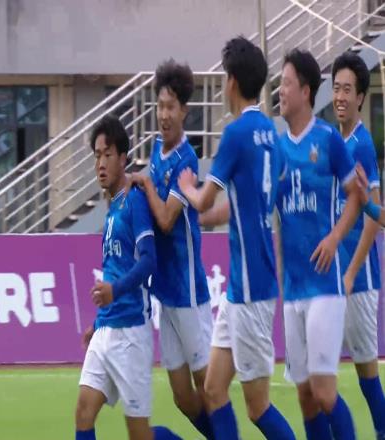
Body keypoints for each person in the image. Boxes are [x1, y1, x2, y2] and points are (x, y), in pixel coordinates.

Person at [178, 36, 295, 440]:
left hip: (251, 291)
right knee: (213, 391)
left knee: (258, 406)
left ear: (231, 81)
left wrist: (187, 187)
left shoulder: (236, 133)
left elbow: (203, 197)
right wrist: (208, 217)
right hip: (242, 289)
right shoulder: (272, 134)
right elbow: (251, 203)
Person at [75, 115, 181, 440]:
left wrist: (115, 291)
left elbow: (148, 261)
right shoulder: (111, 211)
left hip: (131, 334)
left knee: (140, 435)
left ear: (123, 159)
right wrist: (97, 321)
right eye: (97, 156)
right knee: (83, 414)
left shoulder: (135, 202)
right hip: (107, 329)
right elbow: (114, 270)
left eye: (107, 154)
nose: (100, 163)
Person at [276, 48, 361, 440]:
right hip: (292, 288)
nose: (280, 91)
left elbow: (356, 196)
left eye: (286, 83)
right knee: (306, 396)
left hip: (325, 286)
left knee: (325, 392)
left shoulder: (328, 140)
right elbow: (273, 214)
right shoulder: (277, 149)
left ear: (306, 91)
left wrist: (335, 237)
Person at [129, 58, 214, 439]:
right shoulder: (156, 151)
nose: (163, 114)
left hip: (188, 291)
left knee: (208, 390)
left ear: (184, 111)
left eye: (170, 107)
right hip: (165, 292)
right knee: (182, 397)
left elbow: (165, 219)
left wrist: (146, 185)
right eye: (159, 106)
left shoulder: (186, 159)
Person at [332, 51, 385, 440]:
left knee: (367, 376)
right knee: (318, 375)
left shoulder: (361, 145)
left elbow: (374, 215)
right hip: (332, 277)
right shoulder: (334, 141)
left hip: (358, 280)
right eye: (336, 88)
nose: (340, 97)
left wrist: (351, 273)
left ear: (361, 97)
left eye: (347, 90)